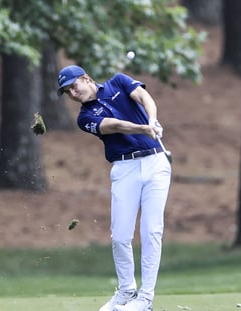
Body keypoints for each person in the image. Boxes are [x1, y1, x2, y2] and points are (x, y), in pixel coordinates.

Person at [56, 65, 172, 311]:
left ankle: (145, 299)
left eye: (73, 87)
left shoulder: (118, 82)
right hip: (124, 169)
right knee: (120, 236)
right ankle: (126, 291)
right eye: (67, 92)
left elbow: (144, 97)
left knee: (152, 231)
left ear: (86, 79)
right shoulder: (84, 118)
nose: (73, 94)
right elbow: (114, 125)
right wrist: (143, 129)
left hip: (155, 162)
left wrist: (152, 120)